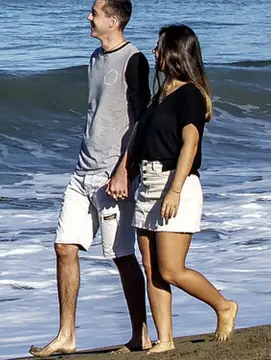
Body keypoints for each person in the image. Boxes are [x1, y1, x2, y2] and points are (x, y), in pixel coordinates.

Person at [31, 0, 153, 357]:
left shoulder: (134, 60)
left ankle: (140, 334)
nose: (89, 17)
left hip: (112, 175)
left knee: (121, 255)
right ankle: (66, 334)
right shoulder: (95, 56)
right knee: (64, 247)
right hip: (82, 170)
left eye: (95, 12)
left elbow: (140, 121)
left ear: (112, 21)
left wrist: (123, 171)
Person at [114, 23, 236, 352]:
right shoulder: (160, 95)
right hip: (149, 184)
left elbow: (190, 144)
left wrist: (175, 190)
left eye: (159, 47)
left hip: (174, 182)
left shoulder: (190, 95)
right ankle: (165, 339)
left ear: (175, 53)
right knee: (152, 268)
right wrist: (126, 171)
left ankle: (224, 306)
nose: (154, 52)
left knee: (171, 269)